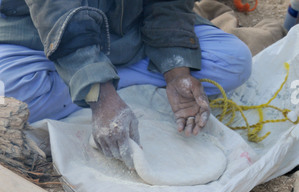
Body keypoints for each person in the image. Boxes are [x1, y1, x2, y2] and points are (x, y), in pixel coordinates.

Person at [0, 0, 252, 166]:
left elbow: (168, 4)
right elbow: (55, 9)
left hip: (132, 31)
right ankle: (100, 83)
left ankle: (103, 80)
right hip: (42, 33)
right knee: (11, 94)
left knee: (235, 61)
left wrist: (176, 70)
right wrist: (99, 92)